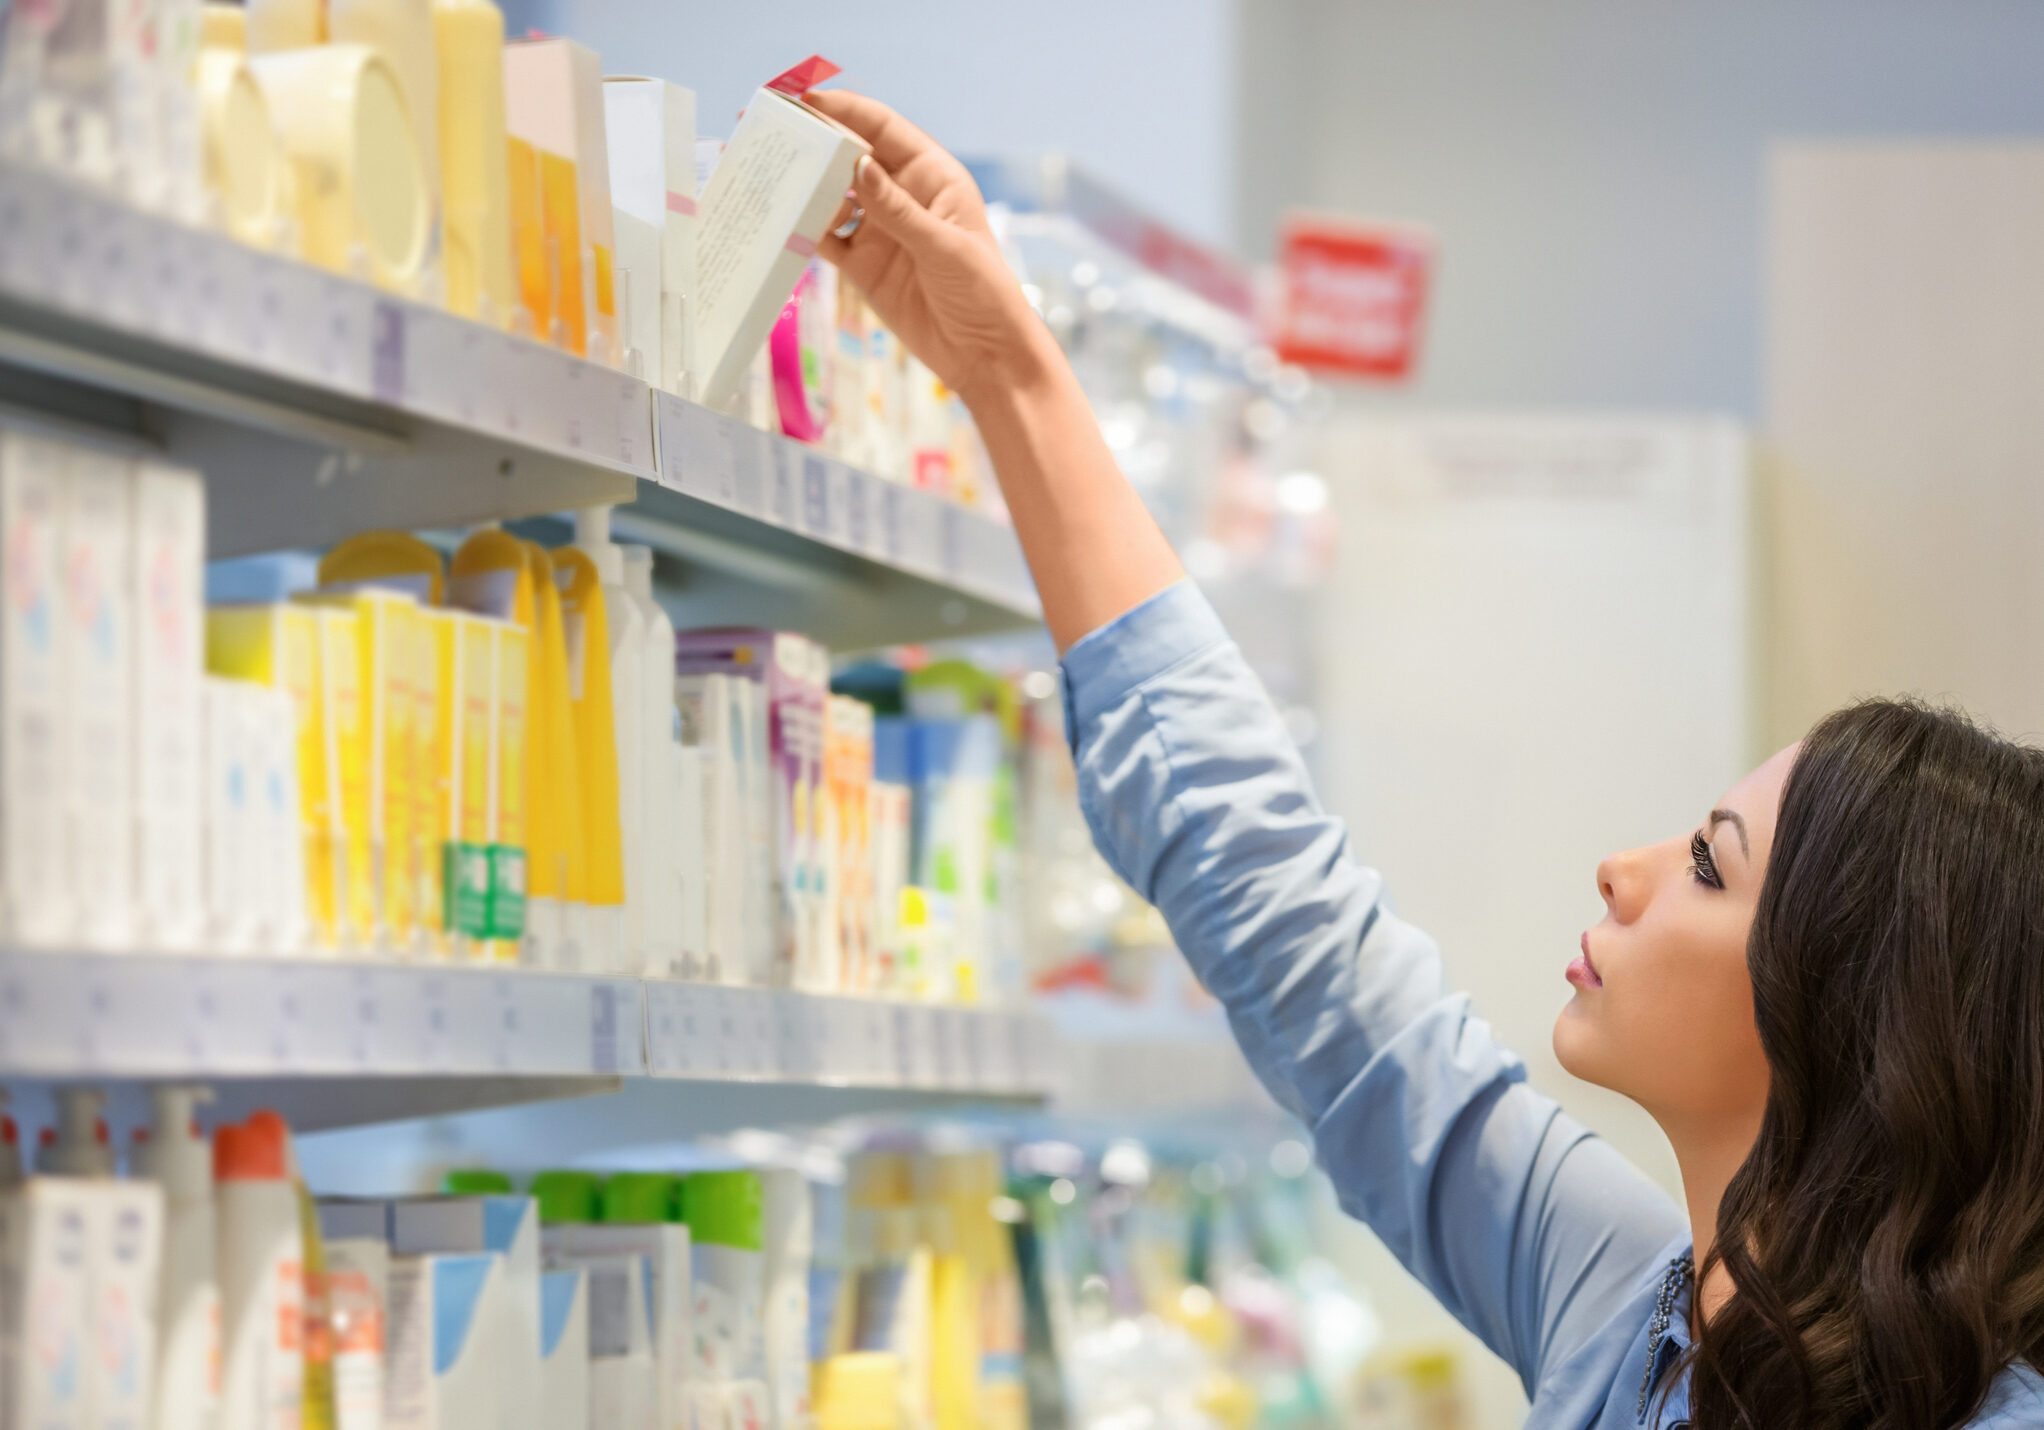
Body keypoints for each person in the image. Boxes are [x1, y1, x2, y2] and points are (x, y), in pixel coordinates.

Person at [805, 90, 2044, 1430]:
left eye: (1706, 864)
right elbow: (1313, 955)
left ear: (1841, 1012)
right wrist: (1007, 372)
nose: (1624, 872)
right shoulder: (1629, 1306)